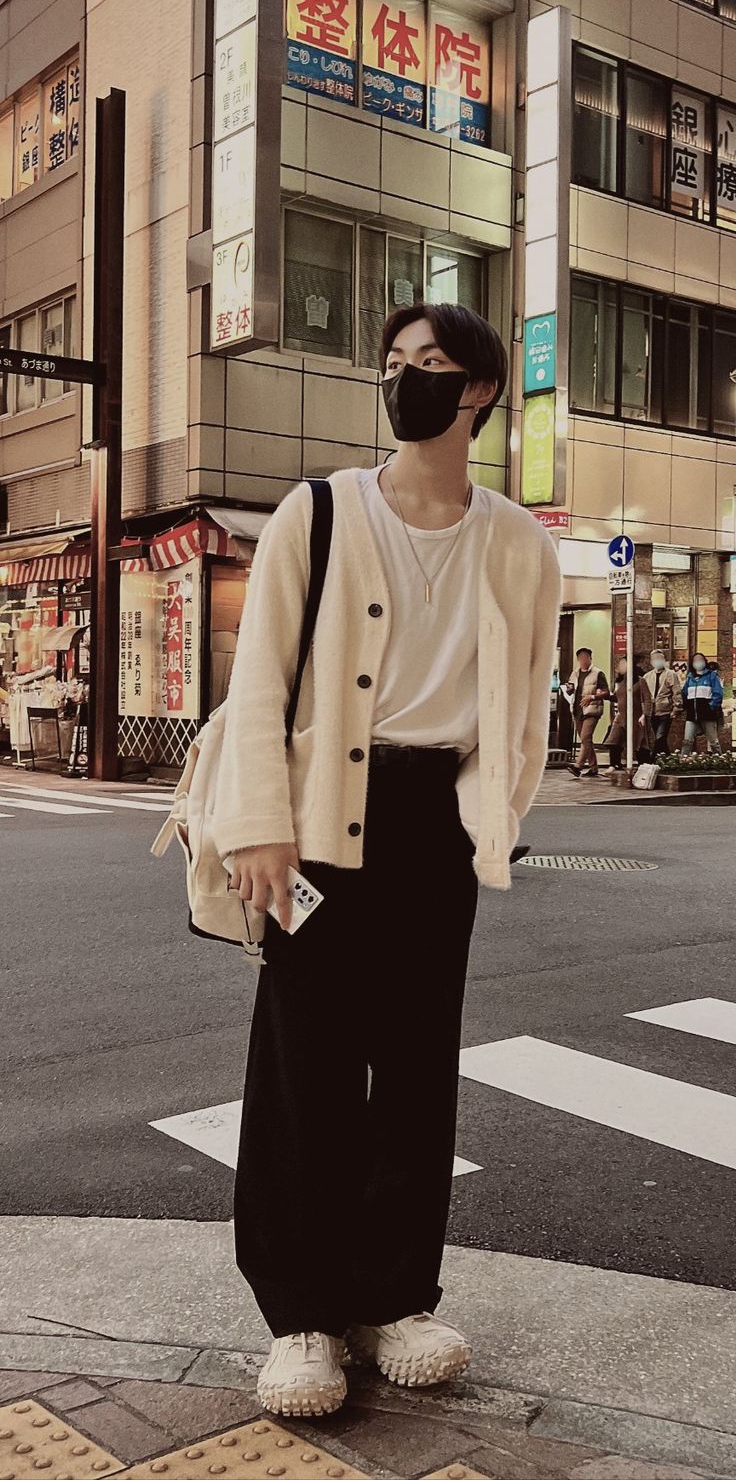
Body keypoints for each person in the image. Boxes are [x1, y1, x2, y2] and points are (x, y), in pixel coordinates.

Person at [213, 302, 561, 1418]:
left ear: (479, 394)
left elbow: (518, 710)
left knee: (414, 1068)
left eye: (432, 365)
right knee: (305, 1065)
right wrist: (259, 822)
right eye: (395, 362)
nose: (406, 379)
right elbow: (259, 678)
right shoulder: (317, 511)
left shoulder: (518, 540)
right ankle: (303, 1315)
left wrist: (485, 817)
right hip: (316, 816)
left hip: (431, 822)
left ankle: (393, 1294)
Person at [563, 647, 609, 777]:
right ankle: (594, 768)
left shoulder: (598, 673)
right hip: (578, 710)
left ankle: (578, 766)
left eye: (586, 657)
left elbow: (606, 691)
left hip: (592, 710)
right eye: (581, 657)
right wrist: (569, 689)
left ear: (590, 658)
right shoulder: (575, 673)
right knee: (586, 741)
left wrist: (593, 697)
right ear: (578, 659)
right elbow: (570, 690)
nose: (583, 660)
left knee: (585, 737)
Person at [606, 658, 651, 769]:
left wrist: (645, 714)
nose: (620, 666)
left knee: (639, 741)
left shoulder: (640, 681)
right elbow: (617, 698)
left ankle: (644, 766)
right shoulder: (620, 682)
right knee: (614, 740)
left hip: (635, 716)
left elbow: (648, 699)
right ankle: (614, 764)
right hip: (621, 716)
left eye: (623, 664)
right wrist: (603, 695)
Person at [681, 652, 723, 756]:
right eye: (695, 660)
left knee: (713, 741)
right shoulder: (690, 678)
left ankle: (720, 761)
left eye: (700, 659)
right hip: (692, 714)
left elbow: (718, 693)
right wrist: (686, 706)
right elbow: (684, 693)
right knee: (687, 740)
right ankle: (683, 761)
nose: (698, 662)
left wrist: (711, 706)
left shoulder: (712, 676)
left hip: (708, 714)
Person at [642, 650, 682, 756]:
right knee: (657, 737)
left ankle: (653, 758)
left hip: (665, 710)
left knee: (660, 735)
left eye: (660, 658)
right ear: (651, 661)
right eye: (655, 659)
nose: (658, 661)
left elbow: (676, 691)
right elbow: (644, 695)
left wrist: (676, 708)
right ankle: (666, 758)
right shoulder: (647, 676)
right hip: (651, 711)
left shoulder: (671, 674)